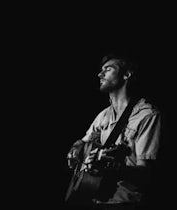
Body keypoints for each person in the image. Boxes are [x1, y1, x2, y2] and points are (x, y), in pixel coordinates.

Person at [65, 52, 161, 210]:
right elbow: (84, 141)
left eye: (108, 69)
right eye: (101, 69)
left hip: (124, 203)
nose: (100, 74)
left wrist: (115, 169)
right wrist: (76, 148)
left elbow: (146, 173)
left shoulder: (147, 115)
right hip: (94, 198)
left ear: (127, 74)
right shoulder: (104, 115)